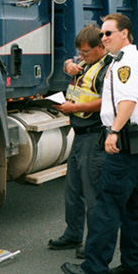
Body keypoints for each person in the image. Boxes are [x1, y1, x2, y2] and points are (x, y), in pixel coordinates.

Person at [61, 13, 138, 274]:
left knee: (107, 205)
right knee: (136, 207)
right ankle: (132, 267)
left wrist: (114, 131)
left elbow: (127, 100)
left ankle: (93, 269)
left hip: (127, 141)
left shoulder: (125, 62)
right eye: (102, 34)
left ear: (124, 34)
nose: (104, 38)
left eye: (108, 33)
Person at [49, 25, 111, 258]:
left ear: (100, 47)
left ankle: (93, 242)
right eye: (80, 53)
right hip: (79, 133)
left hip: (94, 136)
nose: (81, 57)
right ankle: (73, 234)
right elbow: (70, 63)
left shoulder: (106, 69)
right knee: (72, 189)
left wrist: (75, 107)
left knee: (92, 192)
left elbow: (106, 101)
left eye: (85, 52)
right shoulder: (87, 63)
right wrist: (69, 65)